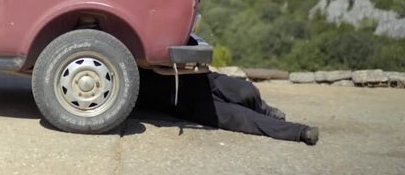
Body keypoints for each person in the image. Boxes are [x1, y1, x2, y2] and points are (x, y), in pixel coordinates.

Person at [137, 70, 319, 145]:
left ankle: (265, 110)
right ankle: (300, 132)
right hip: (187, 104)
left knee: (246, 91)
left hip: (204, 79)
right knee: (242, 118)